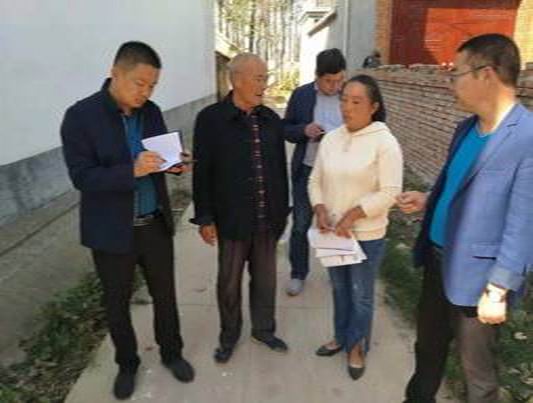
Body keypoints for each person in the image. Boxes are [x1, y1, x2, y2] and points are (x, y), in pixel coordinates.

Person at [397, 34, 533, 403]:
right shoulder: (465, 128)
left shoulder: (526, 137)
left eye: (456, 73)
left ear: (486, 74)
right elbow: (457, 185)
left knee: (478, 375)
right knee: (427, 349)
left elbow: (523, 224)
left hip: (479, 280)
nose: (450, 82)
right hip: (438, 261)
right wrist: (428, 199)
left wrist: (499, 289)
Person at [61, 41, 194, 400]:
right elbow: (82, 177)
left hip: (153, 224)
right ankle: (127, 364)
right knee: (116, 304)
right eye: (140, 83)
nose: (146, 92)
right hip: (111, 231)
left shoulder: (151, 112)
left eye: (153, 85)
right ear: (115, 73)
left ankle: (172, 353)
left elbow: (161, 158)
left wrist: (174, 164)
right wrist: (130, 170)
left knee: (165, 296)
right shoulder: (80, 117)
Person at [191, 53, 290, 364]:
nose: (264, 84)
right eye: (259, 78)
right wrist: (205, 217)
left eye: (265, 77)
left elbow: (279, 169)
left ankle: (263, 330)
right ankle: (229, 335)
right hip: (232, 219)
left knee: (266, 281)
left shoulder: (271, 120)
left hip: (267, 216)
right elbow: (202, 172)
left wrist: (282, 211)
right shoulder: (210, 120)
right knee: (228, 284)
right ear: (236, 80)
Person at [309, 75, 403, 380]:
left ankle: (357, 347)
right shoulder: (331, 139)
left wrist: (354, 215)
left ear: (373, 107)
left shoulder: (385, 143)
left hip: (366, 235)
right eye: (344, 100)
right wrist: (319, 207)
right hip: (332, 234)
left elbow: (390, 192)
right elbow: (315, 180)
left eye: (356, 102)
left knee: (361, 294)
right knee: (339, 289)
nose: (347, 107)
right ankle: (341, 336)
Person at [283, 48, 346, 296]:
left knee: (335, 222)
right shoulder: (301, 95)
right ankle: (298, 273)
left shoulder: (350, 94)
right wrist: (304, 130)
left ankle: (336, 273)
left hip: (340, 173)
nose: (334, 86)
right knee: (300, 225)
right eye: (329, 81)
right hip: (308, 171)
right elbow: (285, 129)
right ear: (317, 76)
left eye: (339, 80)